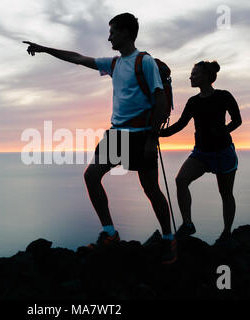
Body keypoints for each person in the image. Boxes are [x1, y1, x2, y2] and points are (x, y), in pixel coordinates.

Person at [23, 13, 177, 263]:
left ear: (126, 33)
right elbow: (78, 58)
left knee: (151, 189)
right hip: (117, 133)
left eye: (113, 32)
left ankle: (169, 239)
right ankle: (109, 233)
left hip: (140, 135)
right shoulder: (114, 64)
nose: (109, 37)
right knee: (91, 176)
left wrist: (151, 139)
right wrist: (43, 49)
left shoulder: (144, 61)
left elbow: (160, 100)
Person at [159, 61, 242, 245]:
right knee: (181, 180)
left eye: (194, 74)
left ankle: (227, 232)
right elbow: (181, 124)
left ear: (205, 77)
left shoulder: (224, 96)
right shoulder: (193, 102)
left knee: (226, 193)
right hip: (202, 153)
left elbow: (237, 120)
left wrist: (223, 131)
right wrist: (160, 133)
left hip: (223, 152)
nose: (190, 77)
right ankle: (188, 224)